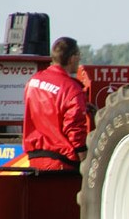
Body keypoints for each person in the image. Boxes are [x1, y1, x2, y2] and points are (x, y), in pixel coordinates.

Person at [22, 36, 89, 171]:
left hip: (34, 160)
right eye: (78, 55)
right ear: (72, 58)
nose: (80, 59)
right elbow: (74, 129)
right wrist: (85, 158)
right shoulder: (72, 90)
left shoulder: (33, 81)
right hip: (62, 163)